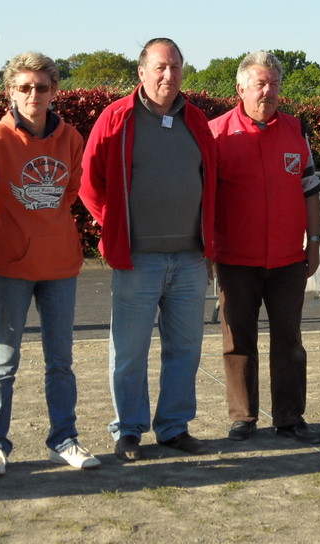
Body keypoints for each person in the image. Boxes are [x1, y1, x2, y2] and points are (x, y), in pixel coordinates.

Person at [79, 37, 217, 462]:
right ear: (141, 72)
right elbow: (89, 184)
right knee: (130, 351)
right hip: (137, 258)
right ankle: (129, 430)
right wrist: (116, 226)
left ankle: (174, 427)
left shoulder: (196, 120)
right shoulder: (116, 118)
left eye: (175, 67)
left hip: (190, 259)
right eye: (159, 67)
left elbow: (210, 181)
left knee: (186, 349)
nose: (168, 75)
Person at [0, 52, 99, 476]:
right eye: (24, 87)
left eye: (41, 87)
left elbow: (68, 192)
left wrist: (40, 221)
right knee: (4, 360)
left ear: (54, 91)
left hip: (59, 265)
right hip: (7, 265)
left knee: (60, 360)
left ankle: (63, 439)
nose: (33, 95)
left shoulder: (70, 138)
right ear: (10, 91)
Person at [209, 51, 320, 444]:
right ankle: (243, 417)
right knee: (238, 342)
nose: (268, 91)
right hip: (235, 258)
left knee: (289, 341)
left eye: (274, 84)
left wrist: (315, 241)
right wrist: (208, 250)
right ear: (240, 88)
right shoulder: (216, 132)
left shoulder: (296, 129)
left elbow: (311, 190)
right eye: (260, 83)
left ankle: (290, 417)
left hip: (289, 259)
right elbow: (205, 198)